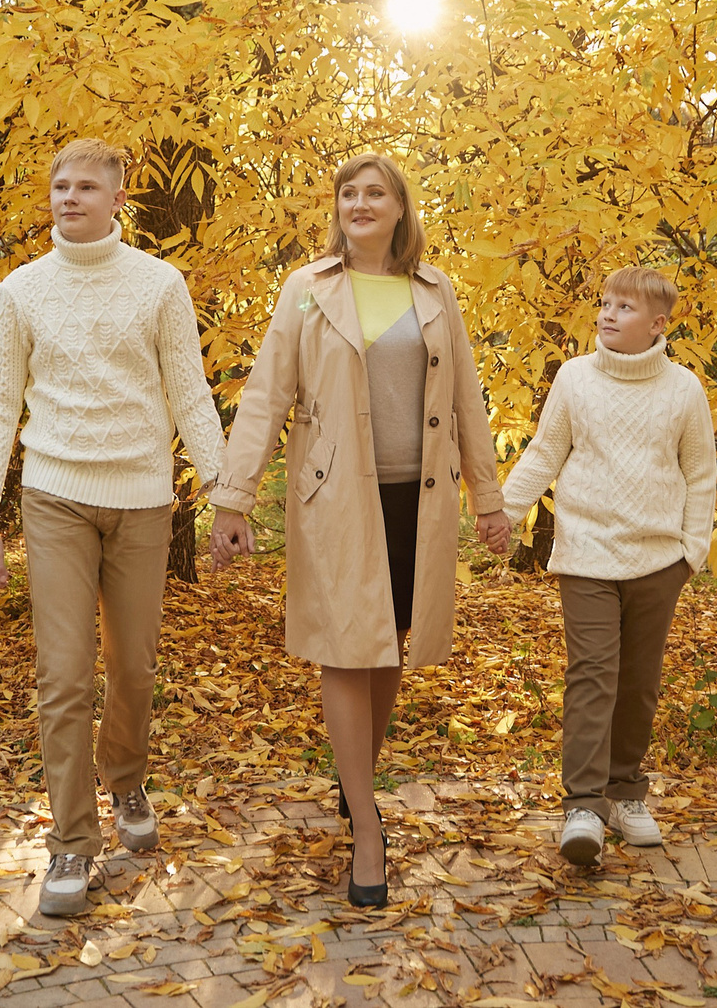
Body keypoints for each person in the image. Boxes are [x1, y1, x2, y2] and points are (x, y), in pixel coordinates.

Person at [209, 154, 514, 906]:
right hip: (337, 498)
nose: (361, 202)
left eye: (376, 192)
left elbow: (468, 397)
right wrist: (234, 497)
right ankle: (368, 827)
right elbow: (267, 392)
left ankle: (357, 783)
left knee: (390, 643)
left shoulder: (434, 288)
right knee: (348, 649)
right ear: (337, 209)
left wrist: (490, 496)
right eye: (349, 193)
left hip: (423, 497)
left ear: (401, 209)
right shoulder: (308, 290)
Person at [0, 138, 225, 918]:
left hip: (143, 500)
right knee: (64, 674)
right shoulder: (21, 290)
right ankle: (72, 843)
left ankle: (128, 778)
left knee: (135, 669)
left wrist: (224, 491)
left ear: (119, 200)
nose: (69, 197)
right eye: (59, 186)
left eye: (86, 187)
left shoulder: (159, 284)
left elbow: (190, 391)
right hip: (55, 497)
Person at [498, 266, 716, 869]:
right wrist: (505, 510)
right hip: (587, 555)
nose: (608, 314)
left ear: (658, 324)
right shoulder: (574, 378)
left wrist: (690, 553)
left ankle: (624, 794)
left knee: (639, 685)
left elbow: (700, 475)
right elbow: (546, 452)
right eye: (605, 303)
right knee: (593, 675)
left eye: (624, 307)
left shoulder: (683, 390)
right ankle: (584, 808)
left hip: (658, 560)